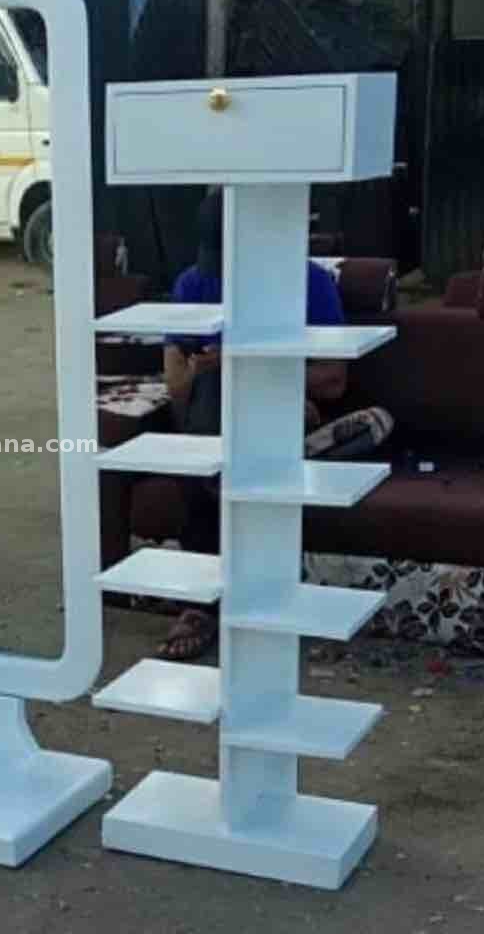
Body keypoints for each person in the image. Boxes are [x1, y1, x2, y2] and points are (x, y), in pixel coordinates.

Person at [157, 189, 392, 660]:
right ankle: (296, 453)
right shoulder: (193, 284)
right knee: (212, 399)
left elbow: (334, 380)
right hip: (213, 419)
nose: (225, 276)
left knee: (228, 411)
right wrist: (211, 368)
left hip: (279, 406)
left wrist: (251, 364)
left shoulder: (311, 283)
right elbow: (175, 385)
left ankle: (202, 605)